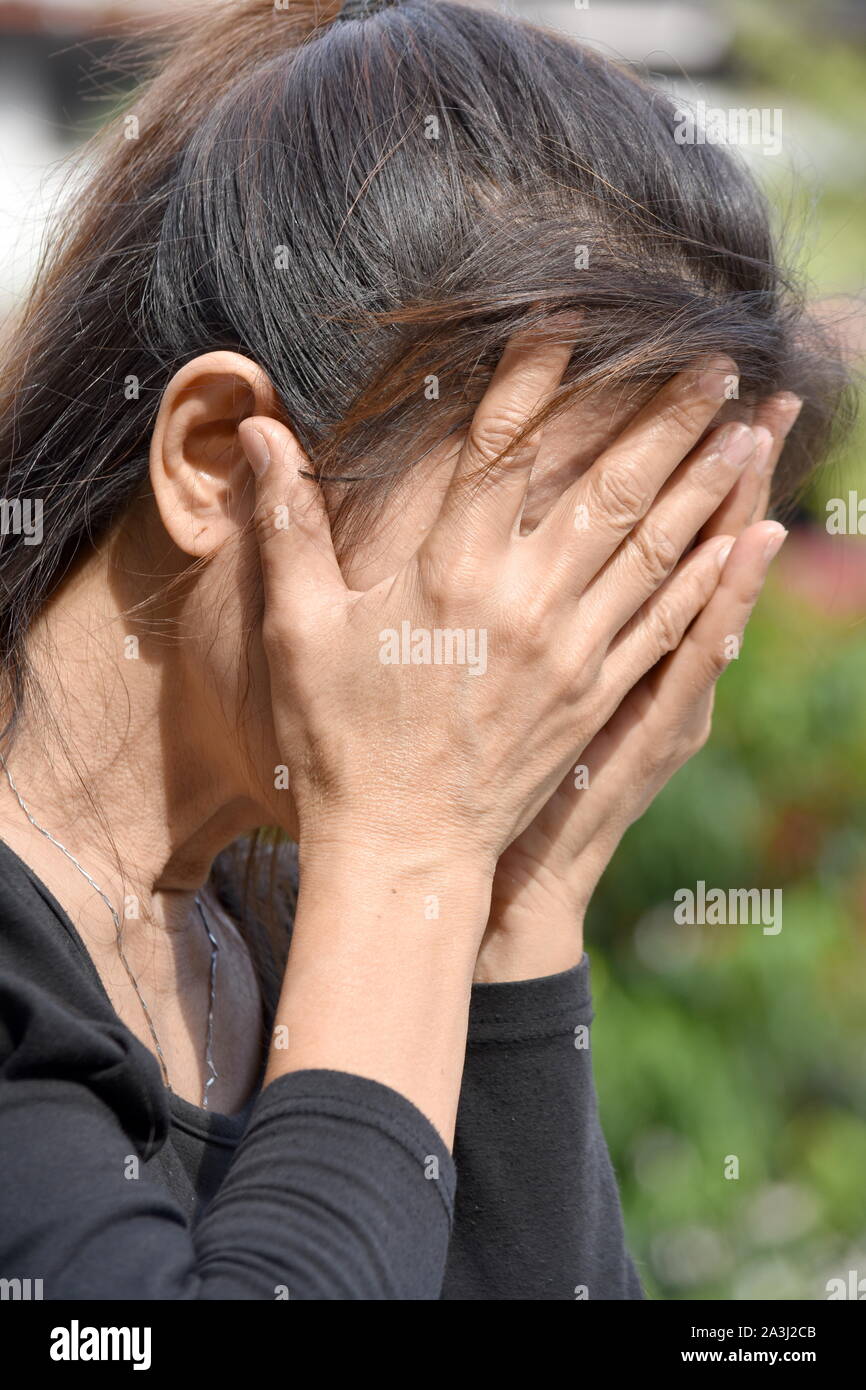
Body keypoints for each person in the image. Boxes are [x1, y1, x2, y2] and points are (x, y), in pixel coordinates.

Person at [0, 0, 846, 1299]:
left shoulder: (307, 928)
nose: (582, 657)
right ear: (218, 461)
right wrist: (413, 856)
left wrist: (513, 915)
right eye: (551, 546)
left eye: (651, 578)